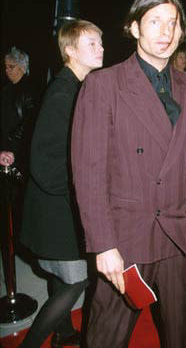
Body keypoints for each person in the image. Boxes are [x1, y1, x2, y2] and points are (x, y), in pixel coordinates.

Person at [71, 0, 186, 348]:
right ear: (134, 28)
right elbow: (89, 173)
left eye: (172, 23)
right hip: (126, 240)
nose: (165, 32)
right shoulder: (104, 85)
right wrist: (103, 245)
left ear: (181, 31)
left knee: (182, 336)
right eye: (154, 22)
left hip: (179, 232)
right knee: (106, 338)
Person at [19, 19, 104, 348]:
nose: (100, 49)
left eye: (100, 42)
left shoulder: (77, 85)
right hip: (57, 210)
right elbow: (43, 161)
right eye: (92, 44)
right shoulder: (63, 92)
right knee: (76, 281)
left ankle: (64, 331)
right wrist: (81, 186)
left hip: (57, 205)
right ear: (70, 51)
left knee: (60, 276)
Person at [0, 47, 37, 241]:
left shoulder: (30, 91)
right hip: (6, 154)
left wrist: (13, 148)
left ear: (22, 67)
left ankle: (17, 241)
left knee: (17, 201)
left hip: (20, 156)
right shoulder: (7, 90)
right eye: (5, 66)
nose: (7, 70)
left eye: (11, 66)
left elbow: (29, 123)